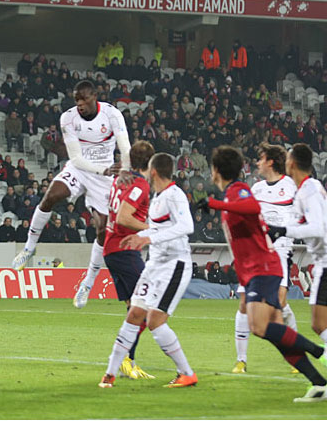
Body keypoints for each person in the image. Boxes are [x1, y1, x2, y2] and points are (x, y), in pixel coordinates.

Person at [198, 145, 327, 402]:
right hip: (253, 269)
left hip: (264, 266)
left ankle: (322, 352)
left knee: (259, 326)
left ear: (216, 170)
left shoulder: (238, 190)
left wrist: (215, 204)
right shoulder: (236, 194)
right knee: (274, 330)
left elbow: (253, 208)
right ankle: (320, 384)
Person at [12, 80, 132, 313]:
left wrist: (125, 168)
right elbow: (76, 158)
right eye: (76, 100)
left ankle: (87, 284)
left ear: (94, 96)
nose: (80, 104)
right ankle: (28, 248)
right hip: (82, 169)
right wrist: (104, 170)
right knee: (51, 196)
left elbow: (125, 148)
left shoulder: (112, 114)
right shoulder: (68, 118)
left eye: (83, 99)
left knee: (103, 230)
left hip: (105, 177)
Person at [266, 143, 327, 397]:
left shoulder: (309, 189)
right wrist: (277, 230)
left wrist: (283, 230)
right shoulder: (308, 188)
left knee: (320, 324)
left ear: (292, 163)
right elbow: (304, 224)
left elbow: (317, 228)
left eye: (288, 158)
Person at [99, 153, 196, 388]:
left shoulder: (175, 195)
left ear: (153, 171)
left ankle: (186, 373)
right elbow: (156, 229)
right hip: (155, 264)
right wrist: (140, 236)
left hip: (175, 264)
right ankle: (110, 374)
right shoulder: (158, 197)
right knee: (134, 314)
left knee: (155, 320)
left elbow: (187, 226)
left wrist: (148, 239)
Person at [232, 143, 299, 374]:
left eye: (261, 159)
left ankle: (296, 354)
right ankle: (241, 361)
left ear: (271, 162)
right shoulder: (257, 188)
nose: (257, 163)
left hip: (280, 250)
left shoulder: (291, 186)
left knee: (279, 302)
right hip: (255, 251)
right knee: (244, 303)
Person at [101, 140, 156, 380]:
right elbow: (124, 217)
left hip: (112, 248)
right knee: (145, 305)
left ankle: (126, 361)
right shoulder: (140, 184)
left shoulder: (120, 179)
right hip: (124, 250)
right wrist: (152, 229)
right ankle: (124, 358)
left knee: (132, 307)